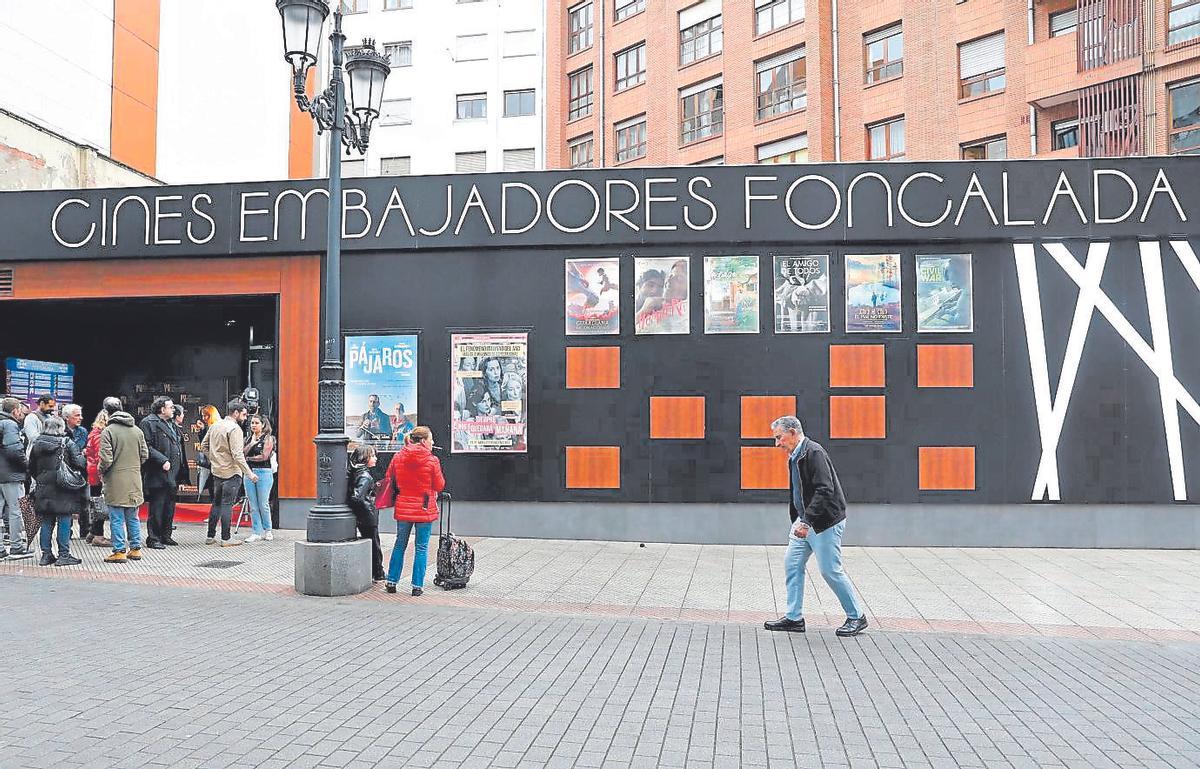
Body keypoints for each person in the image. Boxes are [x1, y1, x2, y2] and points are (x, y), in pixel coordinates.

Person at [765, 416, 868, 637]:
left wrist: (806, 521)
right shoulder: (795, 455)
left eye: (779, 437)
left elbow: (825, 489)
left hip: (823, 523)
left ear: (792, 432)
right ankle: (794, 619)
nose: (777, 443)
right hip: (804, 522)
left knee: (830, 571)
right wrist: (799, 519)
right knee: (792, 565)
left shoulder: (814, 453)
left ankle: (856, 616)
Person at [382, 426, 444, 596]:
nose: (433, 442)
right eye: (431, 439)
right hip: (424, 508)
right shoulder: (432, 460)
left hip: (403, 506)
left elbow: (389, 479)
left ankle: (391, 581)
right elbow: (439, 485)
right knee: (421, 547)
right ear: (423, 441)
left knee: (399, 544)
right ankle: (417, 586)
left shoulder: (398, 456)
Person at [27, 416, 85, 566]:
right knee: (64, 520)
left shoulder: (37, 443)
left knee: (46, 521)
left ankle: (46, 555)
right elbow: (79, 463)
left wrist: (41, 478)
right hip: (63, 488)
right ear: (61, 428)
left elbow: (31, 467)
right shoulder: (66, 443)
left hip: (43, 487)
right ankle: (63, 555)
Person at [98, 398, 150, 564]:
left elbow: (106, 459)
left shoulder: (108, 431)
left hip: (115, 480)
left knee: (117, 518)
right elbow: (145, 455)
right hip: (134, 478)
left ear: (107, 412)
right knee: (133, 516)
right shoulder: (137, 430)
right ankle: (135, 549)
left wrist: (101, 471)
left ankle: (119, 551)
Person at [199, 399, 255, 547]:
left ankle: (210, 536)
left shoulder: (215, 425)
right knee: (227, 505)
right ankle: (226, 538)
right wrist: (249, 473)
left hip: (217, 471)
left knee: (216, 504)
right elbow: (238, 455)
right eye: (243, 415)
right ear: (235, 413)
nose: (245, 418)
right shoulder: (235, 429)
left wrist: (214, 458)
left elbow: (204, 446)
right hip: (232, 472)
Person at [139, 396, 182, 549]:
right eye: (170, 407)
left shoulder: (171, 423)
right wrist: (162, 459)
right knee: (158, 506)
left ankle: (166, 535)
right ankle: (154, 537)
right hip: (158, 471)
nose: (173, 410)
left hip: (173, 472)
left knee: (170, 505)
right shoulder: (148, 423)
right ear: (162, 409)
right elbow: (146, 446)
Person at [0, 397, 32, 560]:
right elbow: (14, 450)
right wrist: (26, 466)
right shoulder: (10, 425)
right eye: (21, 411)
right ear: (14, 411)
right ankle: (16, 546)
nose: (22, 414)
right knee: (15, 510)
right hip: (10, 474)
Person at [348, 444, 384, 582]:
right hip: (367, 516)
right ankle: (378, 573)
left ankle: (376, 571)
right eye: (373, 456)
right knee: (374, 544)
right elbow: (357, 497)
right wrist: (369, 507)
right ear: (365, 458)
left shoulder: (355, 472)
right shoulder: (365, 476)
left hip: (362, 515)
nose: (375, 459)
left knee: (371, 543)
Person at [242, 414, 275, 543]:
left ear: (263, 425)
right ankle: (256, 531)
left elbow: (264, 456)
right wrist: (251, 444)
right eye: (252, 423)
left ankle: (268, 530)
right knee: (253, 504)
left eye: (256, 423)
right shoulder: (248, 439)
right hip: (249, 472)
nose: (253, 425)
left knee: (263, 503)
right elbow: (241, 452)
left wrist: (249, 458)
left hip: (263, 472)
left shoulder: (268, 438)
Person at [84, 409, 112, 547]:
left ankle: (93, 532)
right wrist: (104, 476)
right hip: (98, 474)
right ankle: (98, 536)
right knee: (100, 505)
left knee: (96, 503)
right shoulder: (101, 435)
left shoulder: (93, 433)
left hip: (92, 472)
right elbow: (101, 457)